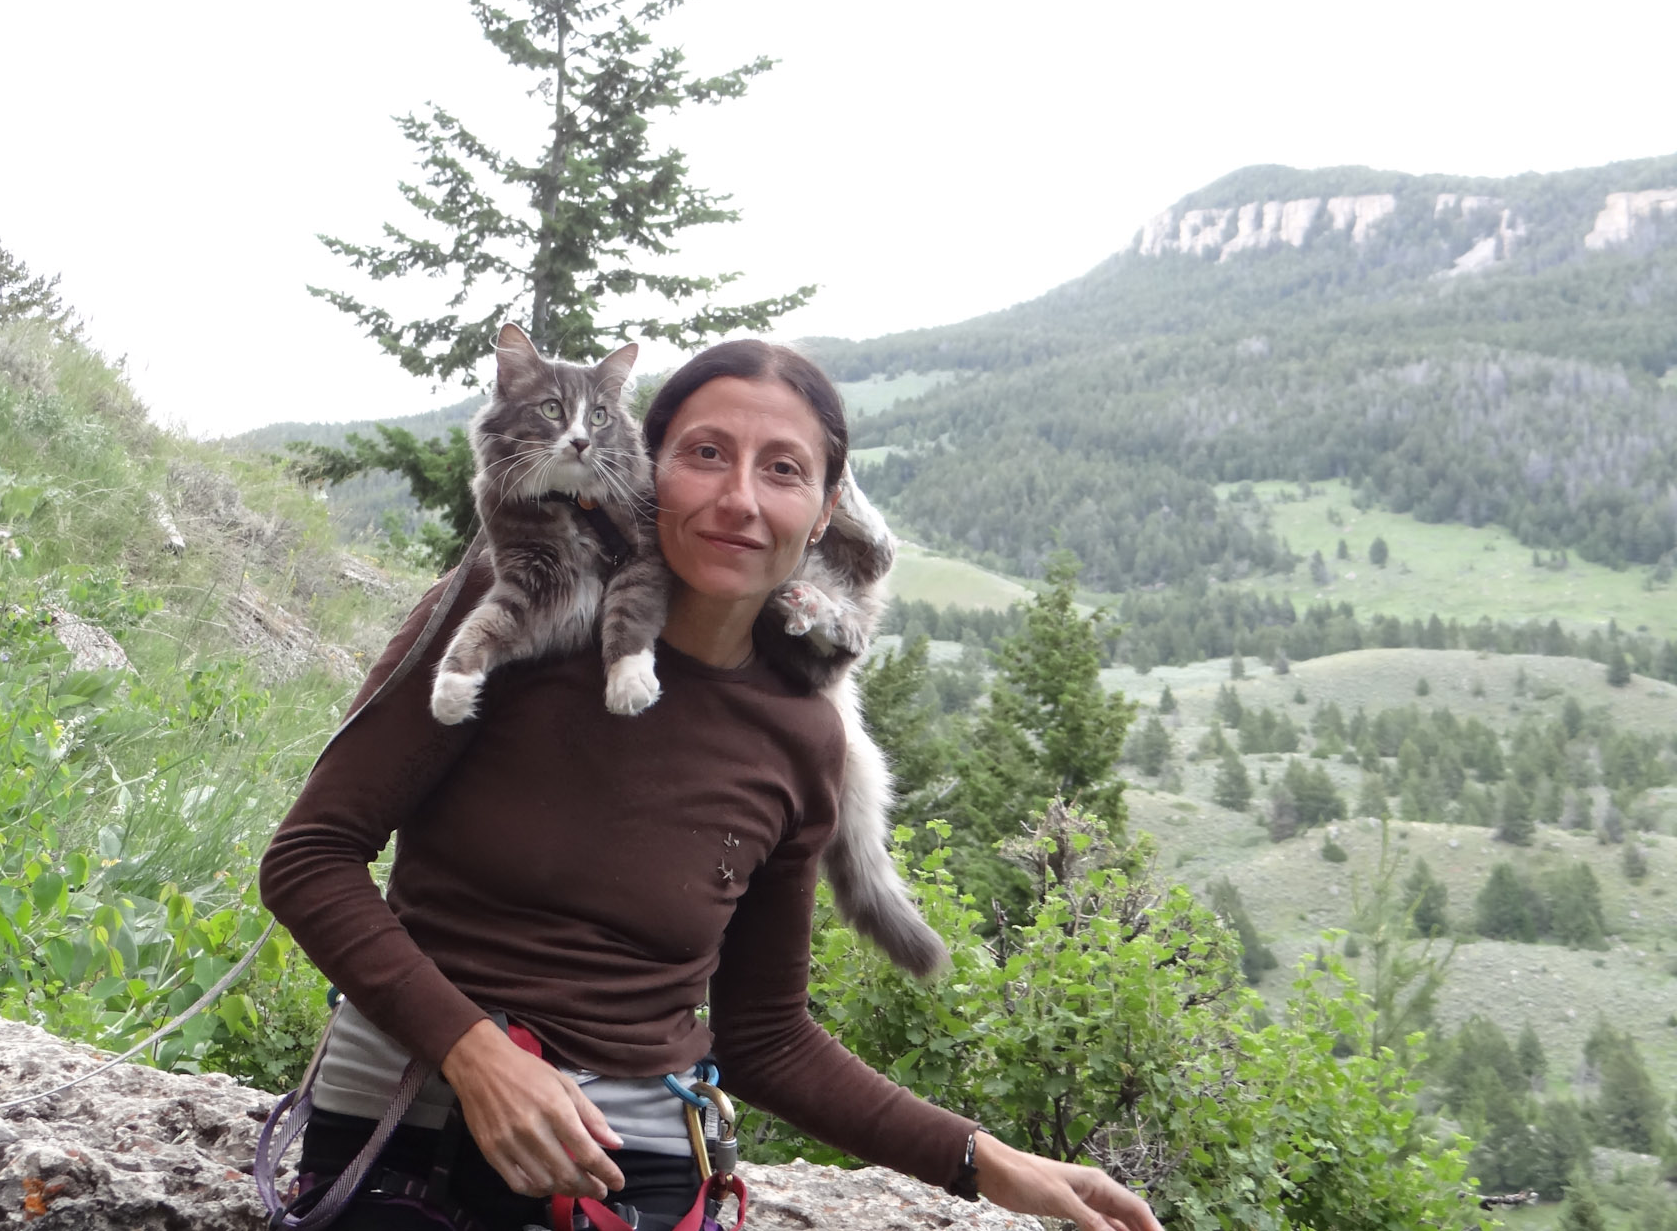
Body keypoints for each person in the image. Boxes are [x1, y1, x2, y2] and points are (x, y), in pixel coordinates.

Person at [258, 340, 1161, 1231]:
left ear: (823, 509)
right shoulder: (515, 606)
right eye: (705, 455)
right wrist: (477, 1056)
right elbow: (310, 859)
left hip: (632, 1160)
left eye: (783, 470)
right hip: (403, 1118)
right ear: (647, 470)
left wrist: (985, 1158)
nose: (739, 500)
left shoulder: (803, 738)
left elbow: (768, 1039)